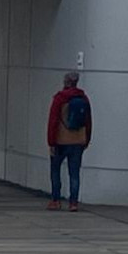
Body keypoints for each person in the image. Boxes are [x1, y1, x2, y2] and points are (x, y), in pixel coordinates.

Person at [45, 71, 93, 211]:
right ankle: (73, 203)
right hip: (78, 141)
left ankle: (56, 200)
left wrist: (51, 142)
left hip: (60, 141)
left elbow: (53, 121)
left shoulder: (59, 99)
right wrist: (86, 139)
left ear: (65, 82)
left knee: (55, 170)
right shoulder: (84, 98)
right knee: (74, 173)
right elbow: (88, 121)